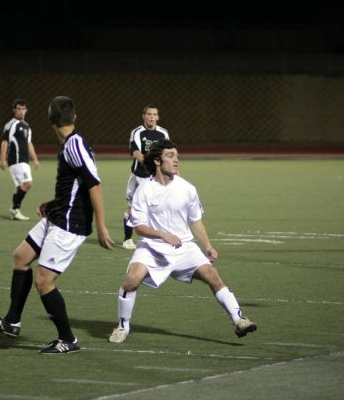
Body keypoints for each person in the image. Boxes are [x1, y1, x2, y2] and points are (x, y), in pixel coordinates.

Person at [0, 95, 115, 354]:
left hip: (69, 224)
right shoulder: (70, 144)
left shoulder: (75, 145)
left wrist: (101, 226)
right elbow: (76, 185)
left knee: (44, 281)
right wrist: (54, 203)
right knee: (21, 257)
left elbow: (94, 185)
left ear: (49, 120)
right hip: (58, 215)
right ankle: (11, 322)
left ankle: (68, 340)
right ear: (74, 117)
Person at [109, 138, 257, 343]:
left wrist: (207, 245)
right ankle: (122, 327)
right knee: (132, 280)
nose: (176, 160)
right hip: (152, 248)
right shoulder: (144, 189)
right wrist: (162, 235)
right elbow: (138, 227)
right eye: (170, 156)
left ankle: (239, 320)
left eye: (177, 156)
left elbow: (195, 220)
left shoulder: (187, 188)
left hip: (184, 247)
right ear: (158, 161)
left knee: (213, 276)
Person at [122, 105, 170, 249]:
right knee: (131, 207)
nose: (151, 117)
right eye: (149, 114)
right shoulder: (137, 132)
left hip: (154, 176)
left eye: (154, 114)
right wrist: (150, 165)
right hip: (138, 174)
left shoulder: (163, 133)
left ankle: (155, 238)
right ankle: (127, 239)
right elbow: (136, 152)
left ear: (158, 117)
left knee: (155, 205)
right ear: (144, 116)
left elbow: (168, 152)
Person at [0, 98, 40, 221]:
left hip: (24, 160)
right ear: (14, 110)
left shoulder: (27, 126)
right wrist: (2, 159)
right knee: (28, 183)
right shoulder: (11, 124)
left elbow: (29, 143)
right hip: (16, 160)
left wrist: (35, 159)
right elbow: (5, 142)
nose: (21, 111)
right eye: (18, 109)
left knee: (19, 186)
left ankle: (15, 211)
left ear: (26, 110)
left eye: (23, 109)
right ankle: (15, 209)